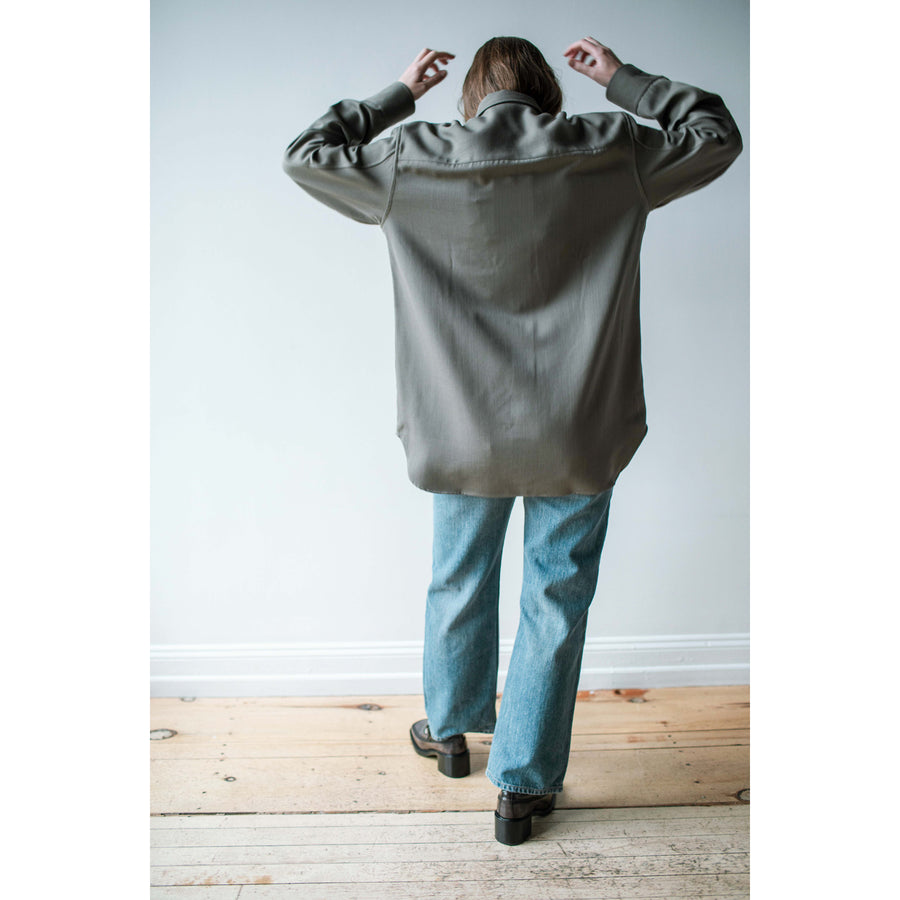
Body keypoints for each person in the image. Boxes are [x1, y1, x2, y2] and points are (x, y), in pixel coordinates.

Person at [282, 35, 743, 845]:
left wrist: (398, 94)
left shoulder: (413, 157)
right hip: (577, 428)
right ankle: (522, 787)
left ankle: (451, 732)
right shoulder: (612, 148)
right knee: (555, 596)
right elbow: (714, 134)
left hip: (462, 431)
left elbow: (306, 154)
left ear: (471, 97)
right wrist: (624, 81)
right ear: (549, 93)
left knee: (458, 575)